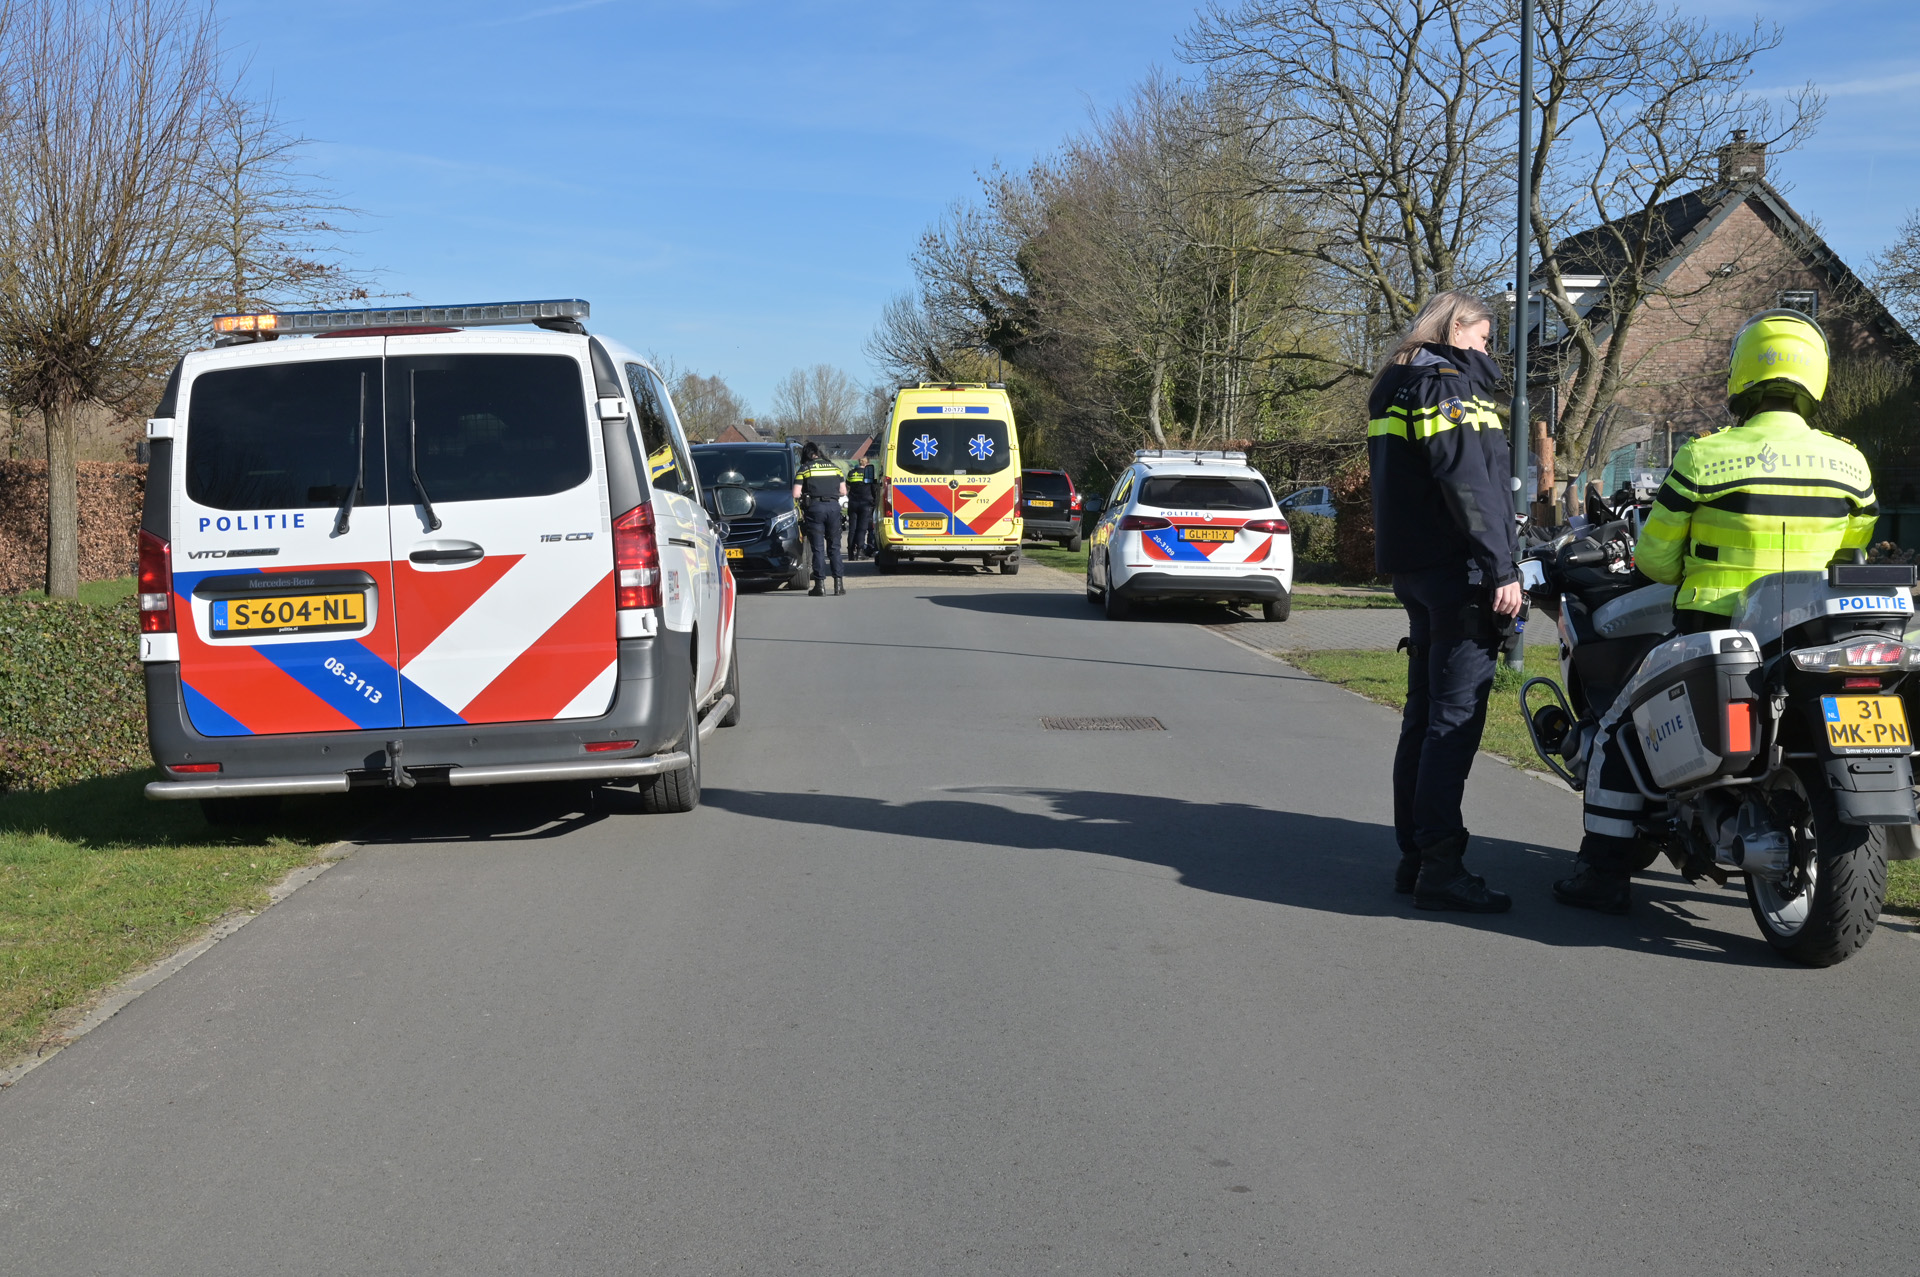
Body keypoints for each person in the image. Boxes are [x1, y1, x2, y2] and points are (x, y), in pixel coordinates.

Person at [1555, 308, 1879, 914]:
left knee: (1620, 733)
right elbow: (1852, 540)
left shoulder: (1706, 459)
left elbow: (1653, 558)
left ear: (1742, 376)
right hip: (1807, 633)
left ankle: (1601, 875)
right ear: (1816, 376)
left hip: (1715, 629)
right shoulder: (1850, 463)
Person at [1369, 290, 1521, 913]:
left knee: (1422, 720)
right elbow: (1471, 486)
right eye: (1485, 338)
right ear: (1457, 328)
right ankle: (1441, 864)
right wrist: (1502, 567)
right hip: (1459, 574)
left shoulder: (1394, 384)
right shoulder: (1448, 386)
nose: (1489, 350)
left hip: (1416, 571)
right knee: (1452, 726)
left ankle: (1414, 856)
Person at [793, 441, 847, 597]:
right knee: (835, 547)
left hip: (815, 509)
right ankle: (838, 585)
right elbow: (843, 491)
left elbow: (795, 494)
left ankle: (820, 586)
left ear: (807, 455)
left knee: (818, 549)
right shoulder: (835, 467)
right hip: (833, 508)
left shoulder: (805, 468)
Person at [845, 458, 876, 560]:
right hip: (865, 504)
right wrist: (875, 501)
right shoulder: (868, 474)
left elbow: (848, 485)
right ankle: (859, 551)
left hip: (853, 503)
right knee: (862, 529)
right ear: (867, 463)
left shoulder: (851, 473)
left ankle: (850, 552)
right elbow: (873, 489)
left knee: (852, 528)